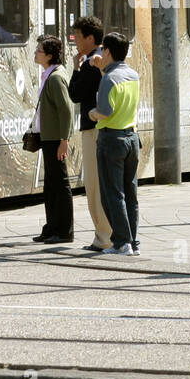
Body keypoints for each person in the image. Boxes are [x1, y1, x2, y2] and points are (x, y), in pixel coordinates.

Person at [89, 32, 141, 256]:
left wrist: (92, 113)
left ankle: (121, 242)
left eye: (102, 49)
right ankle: (133, 241)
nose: (100, 53)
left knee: (112, 193)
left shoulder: (108, 79)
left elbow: (105, 111)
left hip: (111, 139)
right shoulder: (133, 75)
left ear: (108, 51)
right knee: (130, 193)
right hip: (131, 138)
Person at [67, 15, 114, 251]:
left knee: (95, 186)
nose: (75, 41)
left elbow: (75, 94)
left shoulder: (91, 62)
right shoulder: (107, 57)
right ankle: (112, 236)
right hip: (107, 129)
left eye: (78, 37)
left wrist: (75, 68)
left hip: (93, 129)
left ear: (91, 38)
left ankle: (103, 238)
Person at [31, 34, 76, 244]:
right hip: (48, 137)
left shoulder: (56, 77)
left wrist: (64, 140)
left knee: (60, 183)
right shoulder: (49, 75)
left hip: (55, 139)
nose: (35, 53)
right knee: (51, 185)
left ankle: (65, 230)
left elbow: (66, 110)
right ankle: (51, 227)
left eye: (39, 50)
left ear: (49, 55)